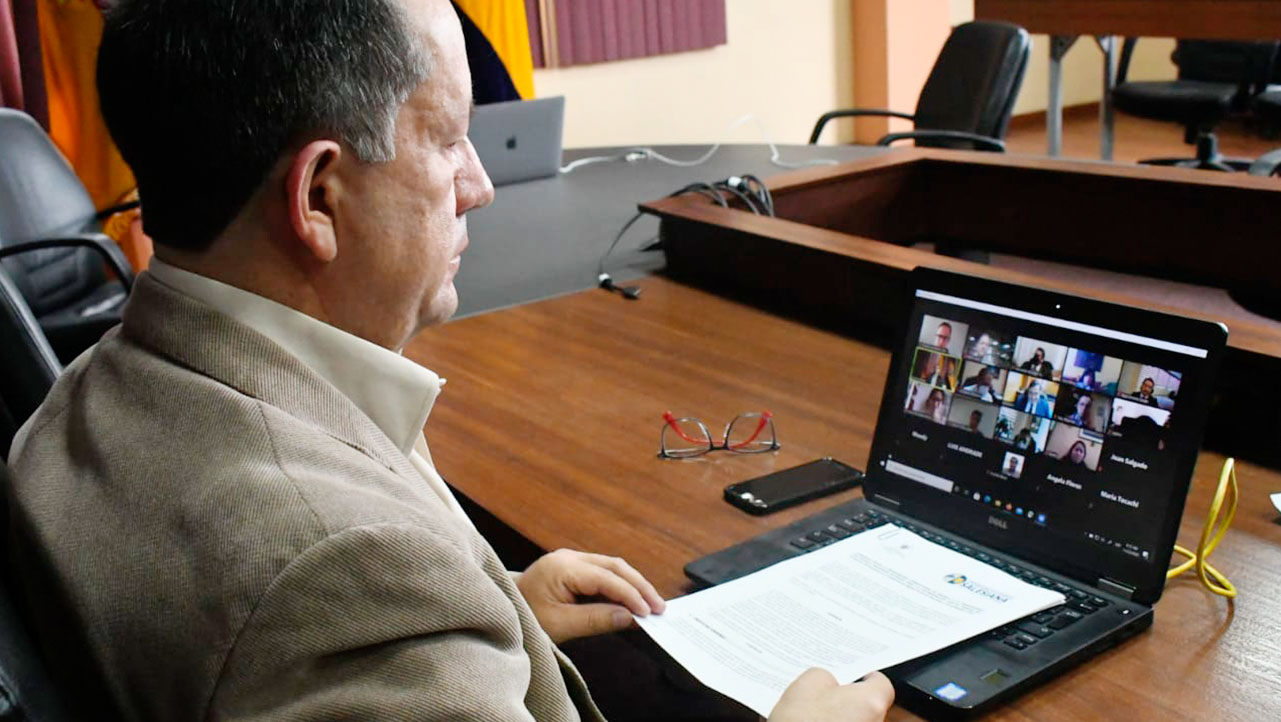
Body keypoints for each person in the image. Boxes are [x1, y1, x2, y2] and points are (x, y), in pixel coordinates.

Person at [4, 2, 894, 721]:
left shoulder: (82, 394)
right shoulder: (352, 572)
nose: (479, 183)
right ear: (319, 196)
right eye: (445, 139)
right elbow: (316, 580)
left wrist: (493, 605)